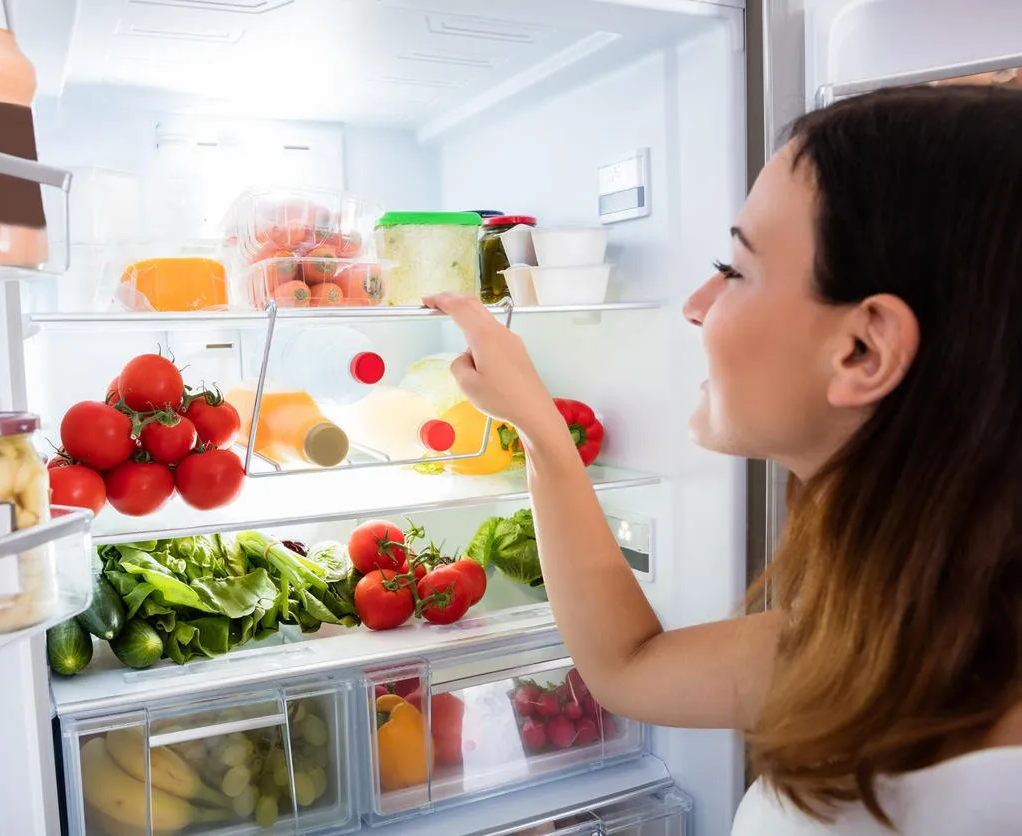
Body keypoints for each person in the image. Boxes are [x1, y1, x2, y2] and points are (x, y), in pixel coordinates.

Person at [425, 84, 1022, 834]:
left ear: (862, 349)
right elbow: (629, 666)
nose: (697, 303)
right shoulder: (916, 630)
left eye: (733, 268)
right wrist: (541, 431)